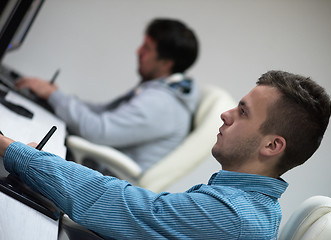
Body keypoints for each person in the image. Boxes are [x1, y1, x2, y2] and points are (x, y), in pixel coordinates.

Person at [0, 70, 331, 239]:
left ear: (272, 145)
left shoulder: (234, 217)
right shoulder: (250, 205)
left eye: (243, 112)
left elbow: (124, 206)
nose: (225, 115)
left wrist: (15, 152)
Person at [15, 18, 200, 171]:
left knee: (16, 144)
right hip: (93, 163)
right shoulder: (161, 89)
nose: (138, 51)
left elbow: (97, 130)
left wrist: (54, 97)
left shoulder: (161, 104)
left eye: (147, 48)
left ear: (167, 63)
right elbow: (102, 111)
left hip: (99, 175)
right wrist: (54, 95)